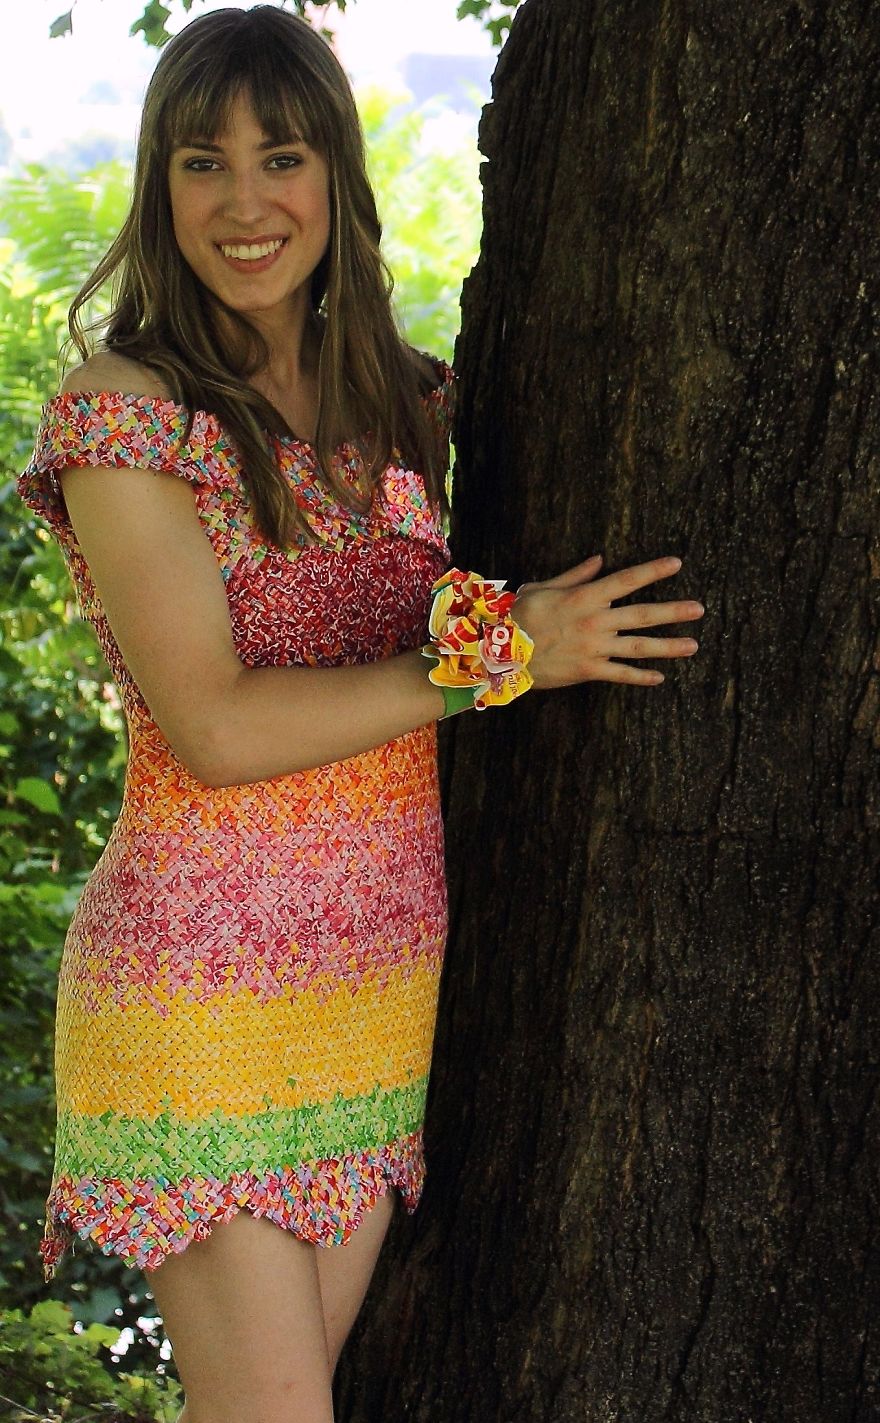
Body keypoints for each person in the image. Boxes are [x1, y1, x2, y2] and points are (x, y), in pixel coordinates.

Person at [18, 6, 705, 1421]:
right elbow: (212, 727)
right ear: (161, 187)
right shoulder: (126, 413)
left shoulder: (411, 403)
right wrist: (501, 657)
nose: (246, 201)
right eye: (203, 163)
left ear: (337, 172)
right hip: (199, 989)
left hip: (377, 991)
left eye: (283, 156)